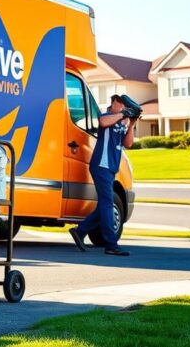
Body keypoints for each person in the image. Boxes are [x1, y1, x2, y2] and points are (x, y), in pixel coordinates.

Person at [69, 94, 136, 256]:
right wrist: (123, 114)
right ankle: (111, 244)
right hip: (101, 165)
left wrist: (132, 123)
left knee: (104, 205)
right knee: (107, 204)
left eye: (124, 105)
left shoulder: (121, 122)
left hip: (111, 168)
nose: (123, 107)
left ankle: (80, 231)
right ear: (113, 103)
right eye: (120, 104)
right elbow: (102, 122)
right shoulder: (107, 116)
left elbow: (128, 143)